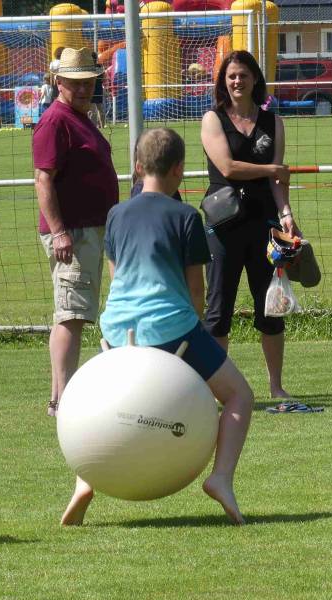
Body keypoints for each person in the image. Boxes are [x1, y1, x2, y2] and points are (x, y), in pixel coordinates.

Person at [62, 127, 254, 527]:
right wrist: (198, 335)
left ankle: (85, 478)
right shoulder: (186, 217)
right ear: (179, 170)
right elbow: (196, 290)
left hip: (116, 329)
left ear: (137, 167)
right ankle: (220, 478)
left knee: (101, 405)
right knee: (239, 396)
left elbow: (115, 276)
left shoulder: (116, 214)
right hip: (170, 328)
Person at [200, 50, 298, 400]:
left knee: (271, 308)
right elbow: (227, 167)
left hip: (264, 225)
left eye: (243, 74)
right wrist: (271, 169)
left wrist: (286, 214)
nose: (237, 81)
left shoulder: (274, 122)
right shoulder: (212, 119)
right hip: (223, 226)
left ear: (255, 78)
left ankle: (276, 386)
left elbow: (278, 180)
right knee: (218, 311)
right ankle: (215, 393)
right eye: (231, 76)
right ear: (223, 82)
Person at [32, 47, 119, 417]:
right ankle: (63, 399)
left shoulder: (79, 117)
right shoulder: (55, 121)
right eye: (75, 82)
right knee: (71, 314)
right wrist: (60, 232)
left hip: (89, 230)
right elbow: (43, 179)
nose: (83, 88)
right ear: (59, 82)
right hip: (73, 233)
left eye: (88, 82)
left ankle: (60, 396)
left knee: (73, 314)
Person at [88, 51, 105, 129]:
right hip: (99, 89)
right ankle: (102, 126)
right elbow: (103, 78)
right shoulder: (100, 67)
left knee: (92, 110)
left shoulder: (88, 68)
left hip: (91, 89)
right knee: (100, 108)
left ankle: (93, 126)